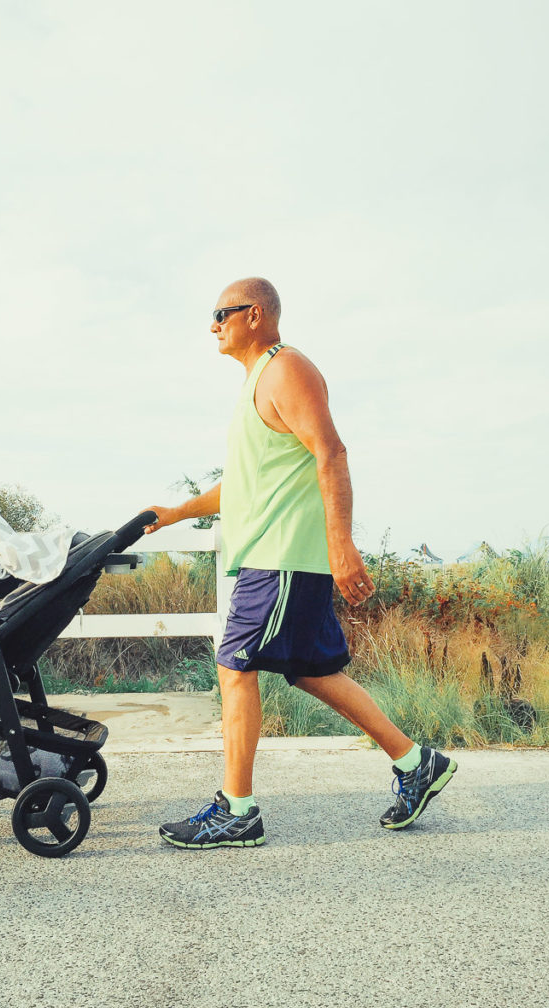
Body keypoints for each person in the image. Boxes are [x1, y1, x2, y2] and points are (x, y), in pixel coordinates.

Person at [142, 277, 457, 849]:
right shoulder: (255, 385)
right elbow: (241, 482)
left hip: (283, 556)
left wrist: (342, 546)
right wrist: (177, 512)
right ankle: (417, 763)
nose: (212, 325)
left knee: (235, 665)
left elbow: (331, 451)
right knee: (311, 670)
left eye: (222, 313)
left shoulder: (285, 369)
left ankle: (236, 810)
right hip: (276, 556)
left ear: (254, 315)